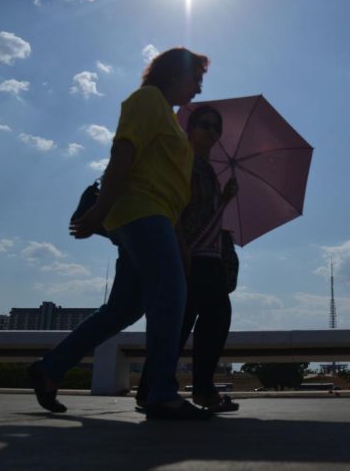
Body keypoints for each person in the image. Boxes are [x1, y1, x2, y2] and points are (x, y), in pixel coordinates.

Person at [28, 47, 212, 420]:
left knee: (124, 309)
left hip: (156, 216)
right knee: (170, 296)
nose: (197, 90)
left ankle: (50, 368)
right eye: (196, 79)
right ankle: (161, 392)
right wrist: (98, 210)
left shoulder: (168, 118)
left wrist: (179, 242)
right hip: (139, 212)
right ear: (175, 74)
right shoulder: (147, 100)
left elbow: (168, 189)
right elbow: (123, 155)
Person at [135, 105, 240, 413]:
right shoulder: (185, 163)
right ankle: (198, 390)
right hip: (190, 253)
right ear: (190, 129)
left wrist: (225, 199)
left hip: (208, 255)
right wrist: (179, 245)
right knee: (206, 318)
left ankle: (152, 388)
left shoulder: (208, 169)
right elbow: (174, 205)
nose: (212, 131)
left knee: (191, 319)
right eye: (205, 125)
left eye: (216, 128)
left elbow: (204, 210)